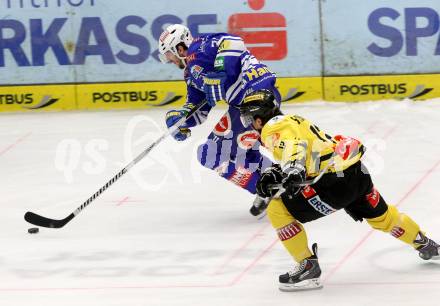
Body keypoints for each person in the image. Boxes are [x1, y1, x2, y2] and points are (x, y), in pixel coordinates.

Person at [237, 89, 440, 291]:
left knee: (277, 210)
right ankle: (426, 244)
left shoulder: (272, 128)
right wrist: (283, 171)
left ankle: (308, 267)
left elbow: (294, 147)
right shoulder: (293, 120)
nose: (249, 125)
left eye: (248, 118)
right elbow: (313, 152)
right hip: (356, 174)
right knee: (384, 218)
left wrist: (292, 169)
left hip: (334, 185)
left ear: (259, 119)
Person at [158, 24, 281, 216]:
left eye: (170, 55)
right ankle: (276, 183)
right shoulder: (190, 74)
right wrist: (182, 120)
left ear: (179, 48)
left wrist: (220, 71)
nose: (171, 61)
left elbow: (234, 42)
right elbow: (199, 109)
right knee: (237, 152)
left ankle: (267, 187)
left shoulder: (204, 45)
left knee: (211, 154)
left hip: (257, 97)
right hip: (242, 108)